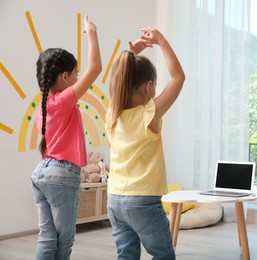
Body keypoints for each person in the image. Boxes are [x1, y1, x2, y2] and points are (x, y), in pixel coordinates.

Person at [105, 27, 185, 260]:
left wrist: (131, 54)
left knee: (126, 255)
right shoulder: (149, 113)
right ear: (149, 86)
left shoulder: (112, 112)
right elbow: (178, 77)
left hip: (114, 199)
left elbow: (120, 77)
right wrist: (161, 40)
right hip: (142, 201)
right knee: (163, 255)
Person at [31, 16, 102, 260]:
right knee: (65, 239)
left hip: (41, 173)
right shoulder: (62, 100)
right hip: (61, 174)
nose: (77, 78)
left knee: (47, 237)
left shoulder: (43, 106)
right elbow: (96, 69)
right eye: (75, 74)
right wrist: (91, 32)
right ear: (63, 77)